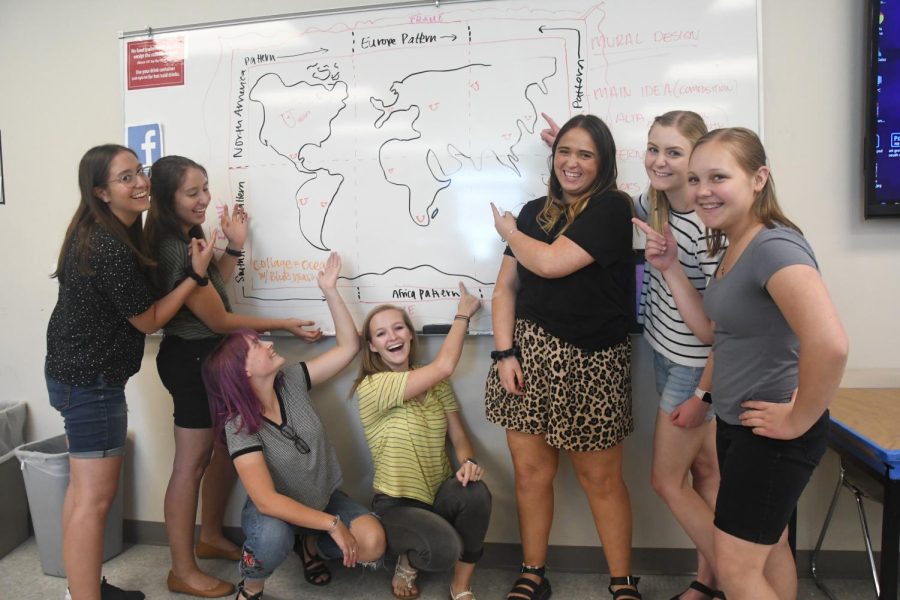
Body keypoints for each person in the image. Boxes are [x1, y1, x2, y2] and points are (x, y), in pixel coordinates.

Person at [637, 127, 848, 600]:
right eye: (695, 180)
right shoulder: (735, 242)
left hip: (769, 436)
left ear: (759, 178)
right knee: (767, 553)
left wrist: (798, 418)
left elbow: (830, 344)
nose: (702, 191)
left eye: (718, 177)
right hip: (738, 425)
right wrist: (671, 266)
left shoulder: (773, 246)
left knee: (736, 572)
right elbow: (715, 333)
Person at [144, 155, 323, 597]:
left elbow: (210, 291)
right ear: (168, 198)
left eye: (205, 188)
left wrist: (234, 248)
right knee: (191, 464)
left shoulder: (188, 233)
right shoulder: (171, 245)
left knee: (223, 452)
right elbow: (220, 319)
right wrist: (284, 325)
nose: (205, 199)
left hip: (211, 357)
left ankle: (209, 538)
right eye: (193, 192)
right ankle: (181, 570)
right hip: (191, 362)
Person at [47, 144, 214, 600]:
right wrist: (195, 277)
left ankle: (81, 589)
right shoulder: (108, 246)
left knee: (83, 496)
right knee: (94, 501)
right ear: (101, 191)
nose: (141, 182)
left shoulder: (107, 231)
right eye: (126, 178)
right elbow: (149, 320)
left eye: (139, 172)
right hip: (91, 384)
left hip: (77, 375)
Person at [486, 114, 640, 600]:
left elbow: (551, 264)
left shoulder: (613, 208)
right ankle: (533, 571)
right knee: (531, 475)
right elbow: (504, 290)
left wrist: (508, 232)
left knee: (602, 479)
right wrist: (504, 352)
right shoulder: (535, 211)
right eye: (565, 152)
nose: (572, 163)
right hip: (527, 360)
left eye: (586, 154)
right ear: (553, 157)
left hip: (592, 363)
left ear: (604, 162)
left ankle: (622, 581)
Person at [202, 252, 385, 600]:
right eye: (257, 345)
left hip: (322, 499)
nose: (270, 344)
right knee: (272, 539)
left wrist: (329, 290)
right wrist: (333, 525)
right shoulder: (239, 425)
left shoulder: (291, 380)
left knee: (373, 543)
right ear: (243, 371)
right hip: (278, 512)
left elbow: (349, 347)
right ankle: (252, 586)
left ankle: (311, 544)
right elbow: (268, 501)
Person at [353, 287, 491, 600]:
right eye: (381, 333)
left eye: (398, 327)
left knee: (477, 494)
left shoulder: (434, 381)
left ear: (411, 335)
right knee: (443, 550)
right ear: (373, 347)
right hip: (397, 503)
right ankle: (406, 559)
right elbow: (444, 365)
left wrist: (469, 462)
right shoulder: (372, 385)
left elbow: (458, 436)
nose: (392, 337)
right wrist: (463, 314)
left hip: (439, 493)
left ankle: (462, 585)